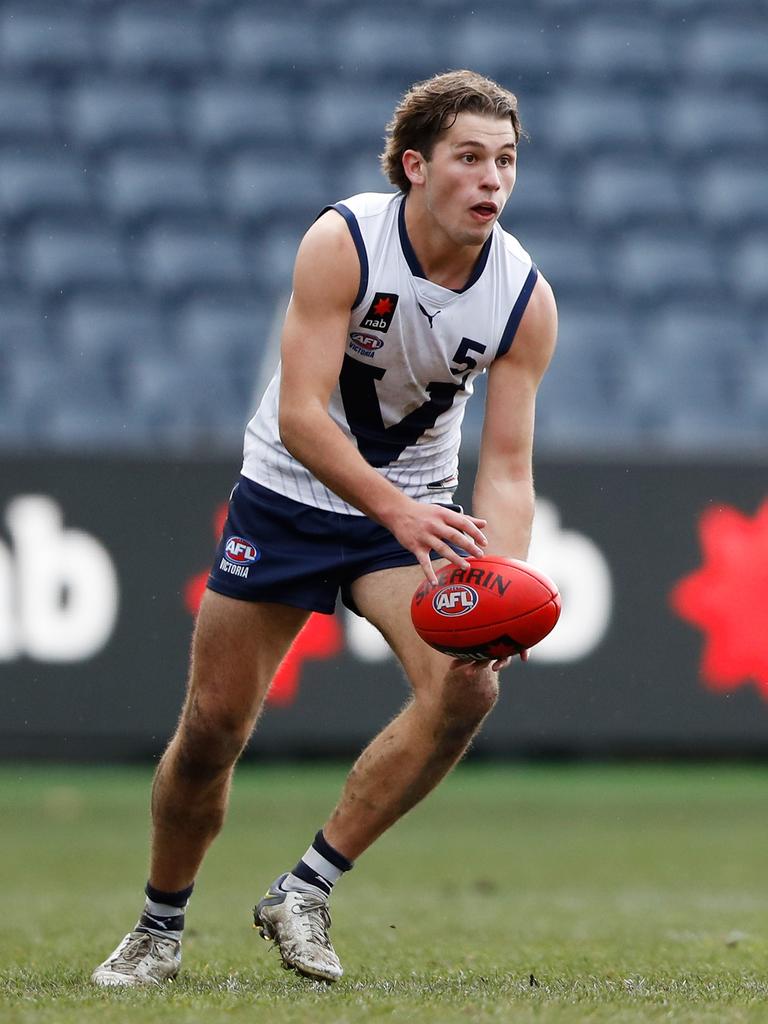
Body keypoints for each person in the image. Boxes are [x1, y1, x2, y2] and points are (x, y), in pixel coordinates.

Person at [92, 68, 557, 987]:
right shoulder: (343, 241)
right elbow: (303, 416)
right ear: (415, 167)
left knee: (468, 692)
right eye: (470, 158)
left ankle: (305, 888)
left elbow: (506, 467)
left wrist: (500, 581)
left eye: (505, 160)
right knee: (213, 729)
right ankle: (158, 925)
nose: (492, 180)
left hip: (410, 523)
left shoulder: (522, 297)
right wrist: (394, 507)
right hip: (290, 495)